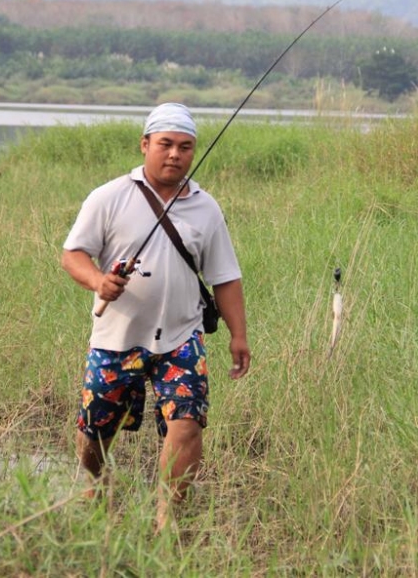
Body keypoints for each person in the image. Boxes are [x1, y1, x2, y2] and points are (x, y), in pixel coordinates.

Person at [61, 102, 251, 531]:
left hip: (182, 338)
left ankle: (166, 520)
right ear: (145, 144)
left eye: (185, 147)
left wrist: (239, 335)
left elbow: (225, 278)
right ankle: (98, 483)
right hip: (117, 336)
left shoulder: (207, 208)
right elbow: (73, 255)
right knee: (94, 433)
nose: (175, 155)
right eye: (165, 144)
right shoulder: (108, 197)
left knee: (187, 425)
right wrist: (98, 282)